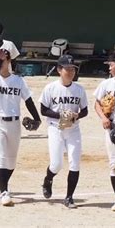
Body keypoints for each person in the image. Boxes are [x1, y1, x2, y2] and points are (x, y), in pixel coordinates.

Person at [0, 49, 41, 206]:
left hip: (14, 124)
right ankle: (4, 191)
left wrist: (37, 118)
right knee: (0, 158)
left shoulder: (18, 81)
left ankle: (2, 185)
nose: (1, 63)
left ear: (9, 61)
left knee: (11, 162)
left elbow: (28, 100)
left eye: (4, 60)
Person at [40, 55, 88, 209]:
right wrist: (61, 116)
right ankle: (48, 179)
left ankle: (69, 197)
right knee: (57, 164)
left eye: (73, 69)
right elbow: (43, 110)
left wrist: (77, 115)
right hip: (56, 128)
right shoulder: (50, 88)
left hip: (73, 130)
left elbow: (85, 110)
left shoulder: (79, 89)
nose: (71, 71)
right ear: (59, 70)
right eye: (67, 68)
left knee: (75, 164)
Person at [93, 52, 115, 211]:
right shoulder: (106, 84)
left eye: (111, 64)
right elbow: (97, 103)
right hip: (113, 126)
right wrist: (103, 118)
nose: (109, 67)